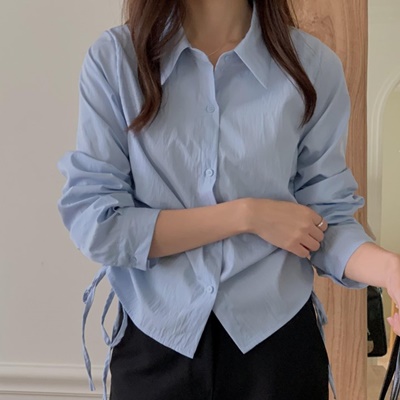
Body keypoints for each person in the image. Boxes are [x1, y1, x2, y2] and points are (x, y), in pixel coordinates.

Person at [57, 0, 400, 399]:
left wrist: (390, 270)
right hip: (155, 342)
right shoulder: (116, 60)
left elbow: (326, 222)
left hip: (278, 347)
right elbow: (99, 223)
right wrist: (246, 216)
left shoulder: (312, 67)